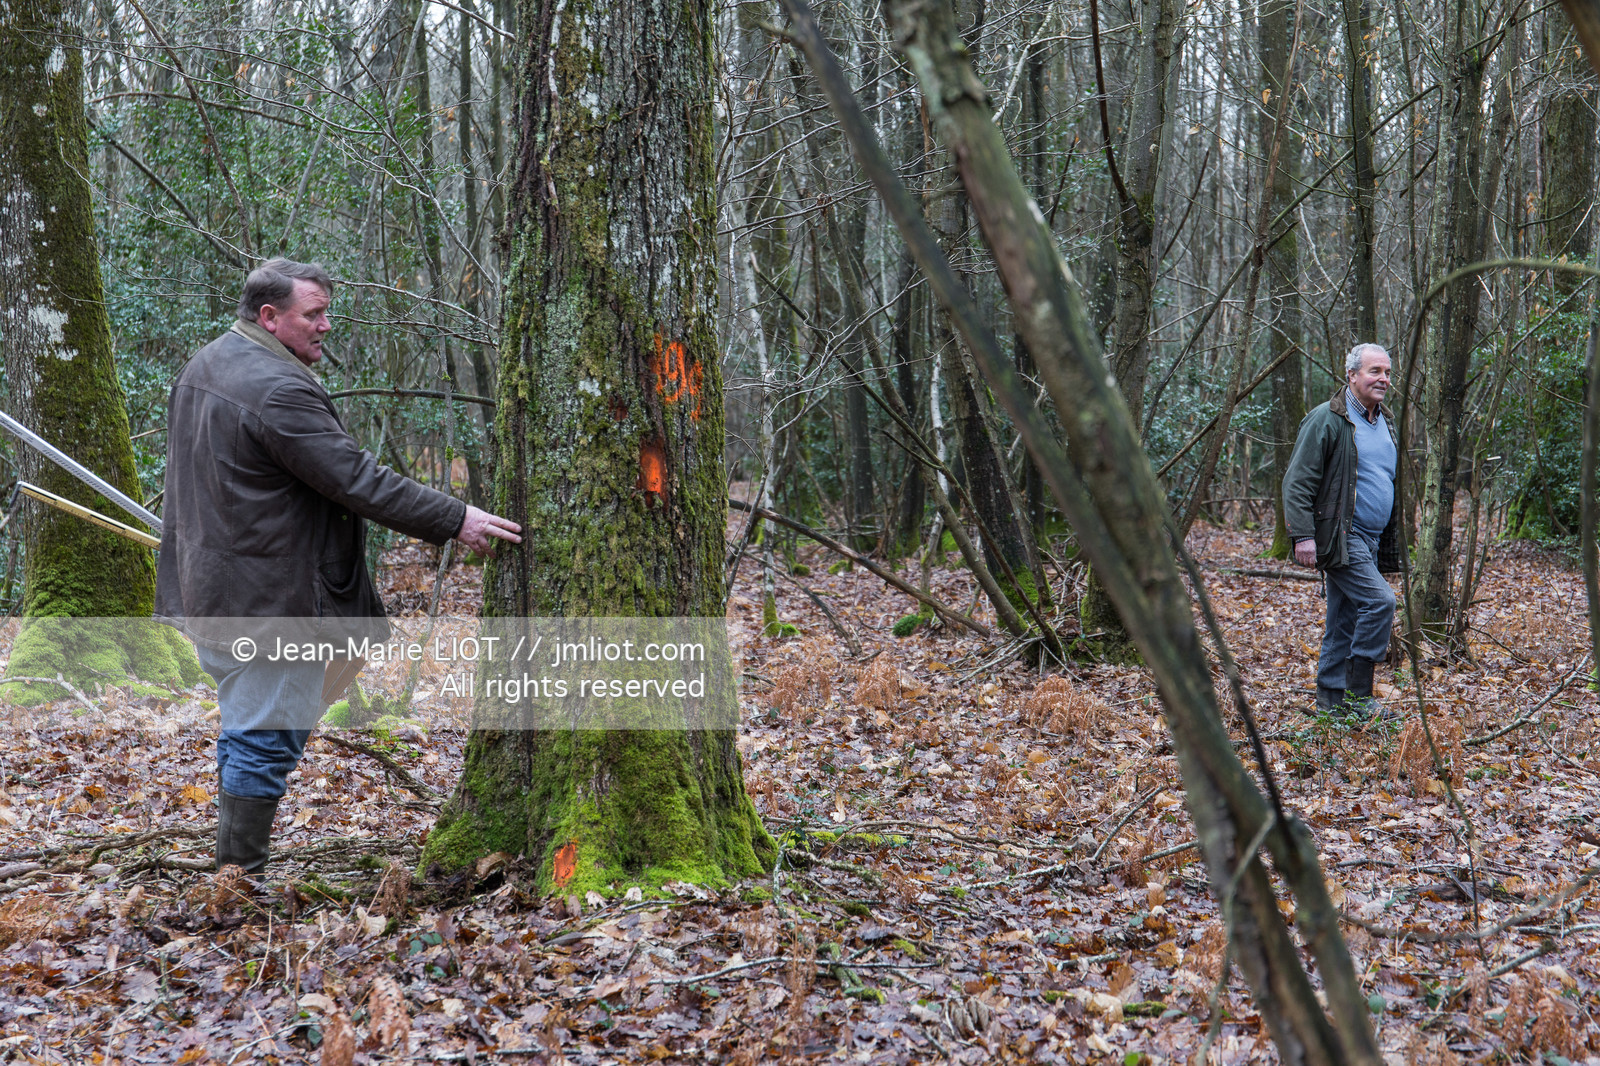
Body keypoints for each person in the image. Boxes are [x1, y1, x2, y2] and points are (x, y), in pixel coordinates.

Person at [155, 259, 521, 874]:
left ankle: (232, 870)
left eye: (328, 310)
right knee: (263, 735)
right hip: (270, 603)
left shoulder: (208, 362)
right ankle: (236, 881)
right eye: (313, 314)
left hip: (216, 591)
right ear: (270, 317)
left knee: (252, 727)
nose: (327, 325)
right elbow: (357, 480)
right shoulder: (277, 388)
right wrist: (456, 518)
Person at [1282, 343, 1401, 720]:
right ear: (1351, 375)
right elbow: (1297, 481)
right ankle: (1360, 698)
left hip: (1371, 538)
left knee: (1343, 620)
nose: (1382, 378)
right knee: (1380, 602)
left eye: (1386, 372)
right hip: (1340, 535)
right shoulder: (1327, 419)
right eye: (1373, 371)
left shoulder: (1386, 420)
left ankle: (1331, 707)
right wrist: (1303, 535)